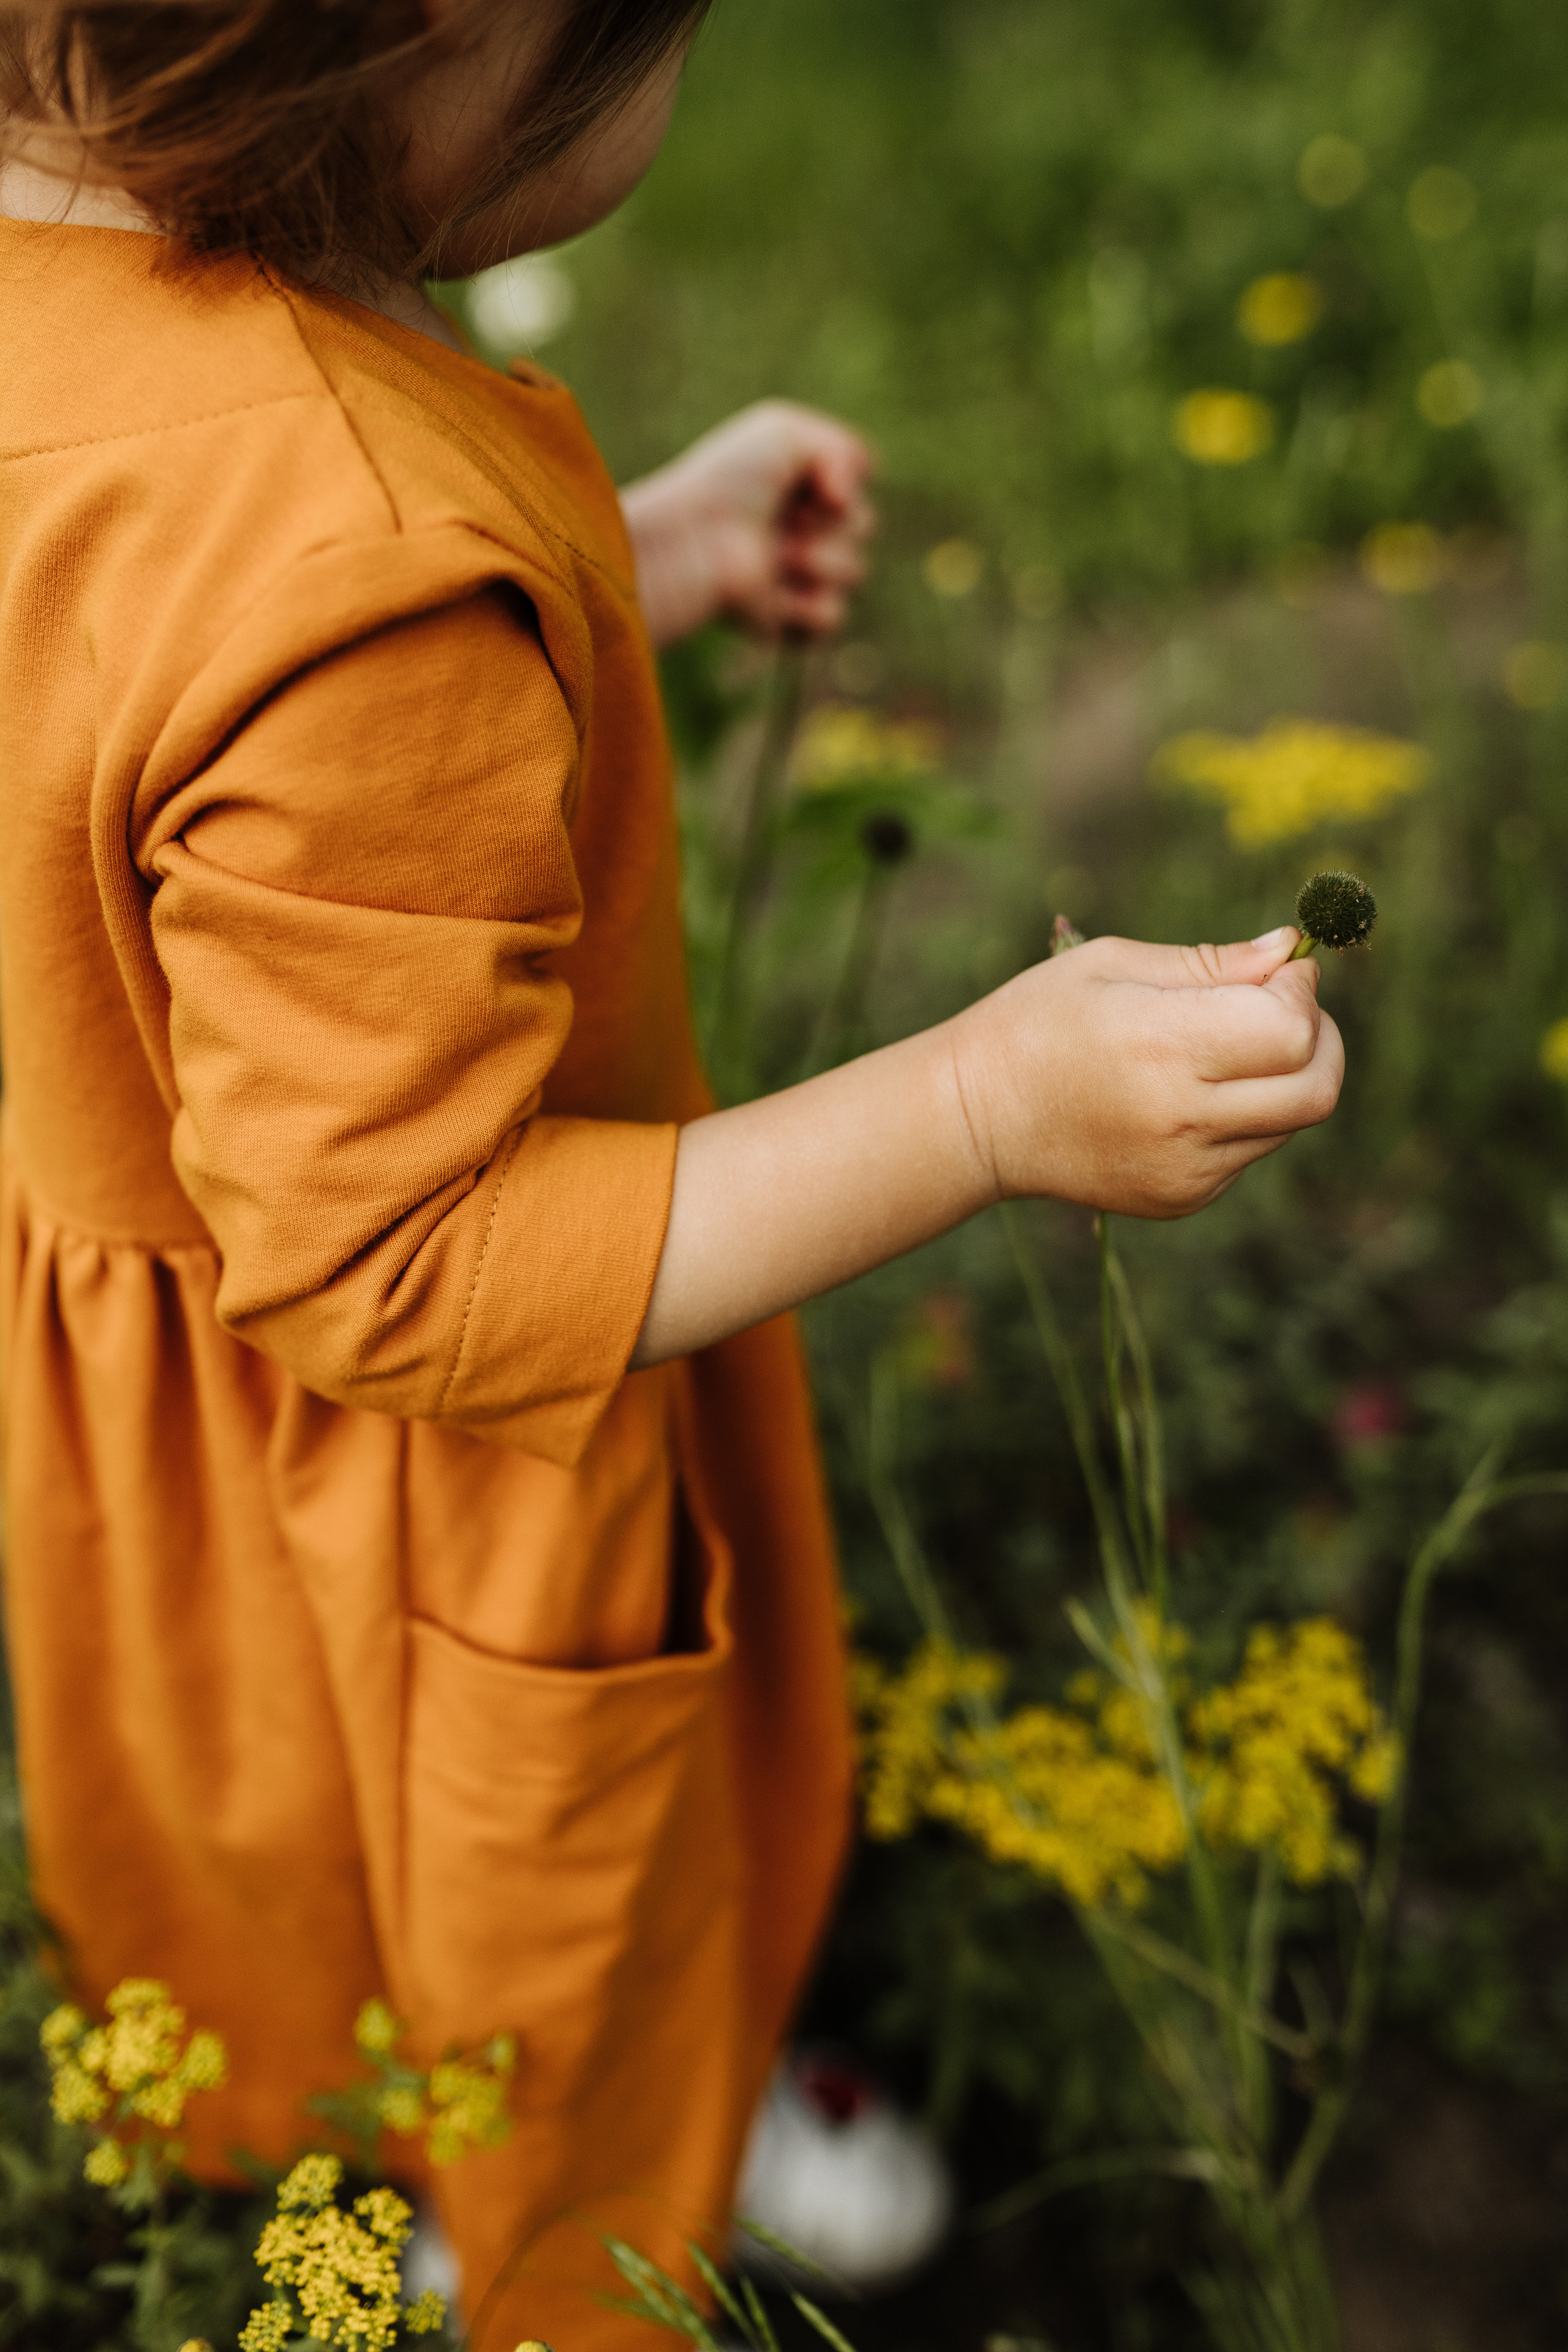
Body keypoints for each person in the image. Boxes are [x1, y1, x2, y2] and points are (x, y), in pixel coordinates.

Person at [0, 0, 1344, 2341]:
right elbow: (410, 1268)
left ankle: (404, 2158)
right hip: (446, 1440)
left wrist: (598, 562)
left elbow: (162, 699)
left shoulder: (74, 308)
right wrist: (979, 1108)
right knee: (555, 1889)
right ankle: (586, 2228)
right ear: (414, 49)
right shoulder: (353, 562)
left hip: (171, 1415)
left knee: (309, 1861)